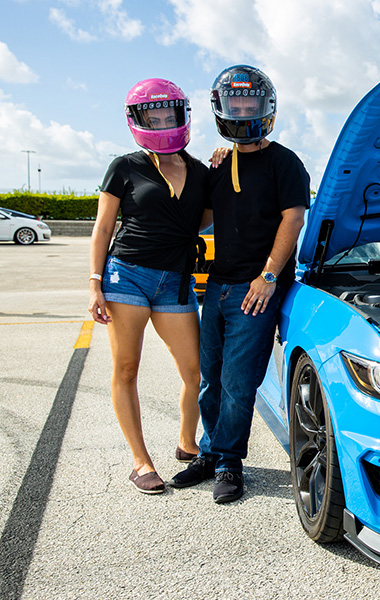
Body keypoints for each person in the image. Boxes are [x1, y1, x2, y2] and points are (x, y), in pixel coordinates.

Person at [168, 65, 310, 504]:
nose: (243, 111)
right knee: (209, 378)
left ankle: (229, 462)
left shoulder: (285, 162)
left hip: (256, 290)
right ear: (221, 107)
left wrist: (268, 276)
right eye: (236, 103)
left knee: (237, 383)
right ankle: (210, 453)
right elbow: (205, 218)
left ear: (266, 107)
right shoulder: (219, 164)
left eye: (251, 103)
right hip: (217, 288)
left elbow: (294, 219)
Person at [89, 79, 209, 494]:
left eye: (167, 115)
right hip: (127, 275)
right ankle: (140, 462)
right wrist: (94, 282)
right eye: (152, 117)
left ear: (181, 115)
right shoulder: (124, 167)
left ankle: (187, 443)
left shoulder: (202, 172)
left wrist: (226, 159)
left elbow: (207, 218)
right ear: (138, 120)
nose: (160, 123)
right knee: (126, 368)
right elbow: (103, 228)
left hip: (175, 281)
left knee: (196, 372)